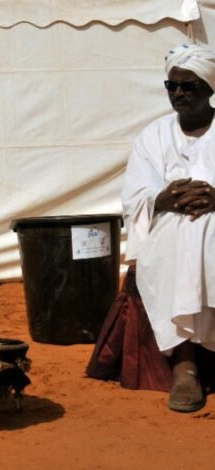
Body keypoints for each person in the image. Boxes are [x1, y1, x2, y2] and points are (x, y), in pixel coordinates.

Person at [119, 43, 215, 412]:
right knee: (182, 232)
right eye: (171, 86)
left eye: (188, 87)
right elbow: (134, 195)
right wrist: (166, 198)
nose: (178, 94)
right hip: (170, 225)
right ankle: (185, 365)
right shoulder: (154, 134)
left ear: (208, 88)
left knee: (200, 232)